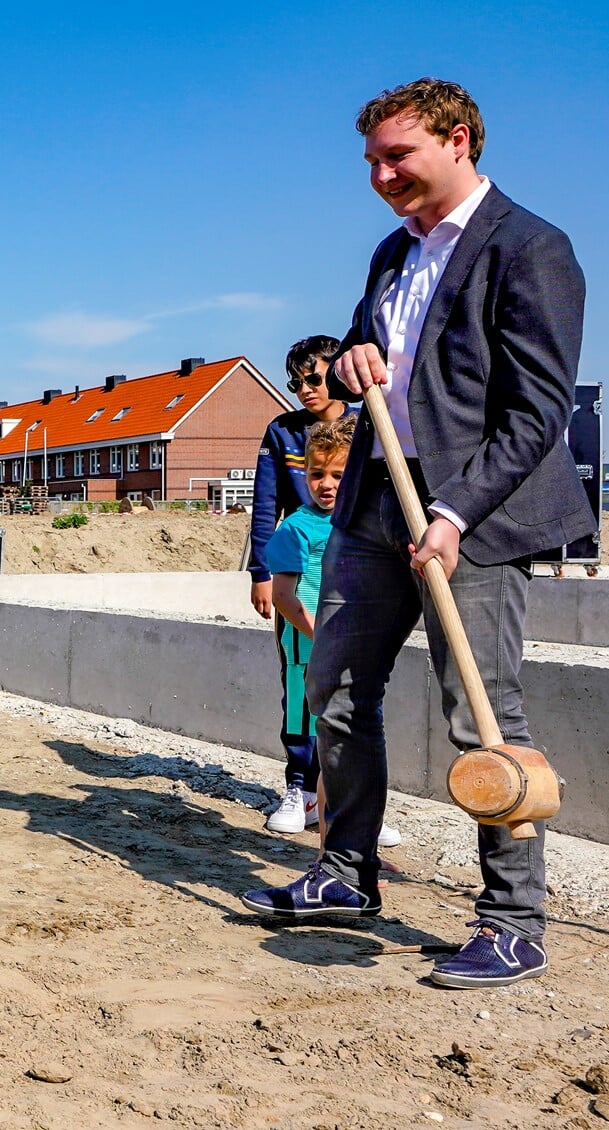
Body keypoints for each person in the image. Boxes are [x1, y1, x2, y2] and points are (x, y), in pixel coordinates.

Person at [242, 79, 595, 990]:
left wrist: (453, 513)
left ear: (460, 140)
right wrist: (357, 351)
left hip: (477, 516)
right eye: (371, 161)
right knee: (336, 686)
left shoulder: (529, 248)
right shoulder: (392, 254)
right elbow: (374, 351)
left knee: (481, 713)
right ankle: (347, 875)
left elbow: (537, 412)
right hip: (375, 506)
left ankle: (514, 923)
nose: (381, 175)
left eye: (397, 156)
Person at [250, 336, 363, 834]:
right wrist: (259, 573)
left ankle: (352, 800)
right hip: (299, 582)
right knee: (299, 690)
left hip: (356, 578)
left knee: (357, 699)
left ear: (335, 373)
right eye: (296, 382)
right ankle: (299, 788)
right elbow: (264, 502)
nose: (304, 389)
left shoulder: (364, 424)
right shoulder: (281, 432)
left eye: (313, 378)